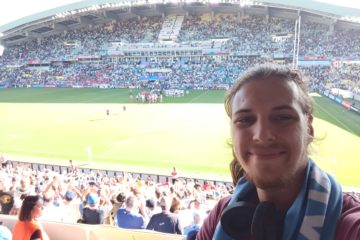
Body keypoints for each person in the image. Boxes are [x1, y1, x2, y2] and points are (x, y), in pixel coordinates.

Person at [197, 63, 360, 240]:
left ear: (309, 129)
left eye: (282, 117)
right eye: (245, 119)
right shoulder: (219, 216)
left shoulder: (350, 226)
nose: (262, 135)